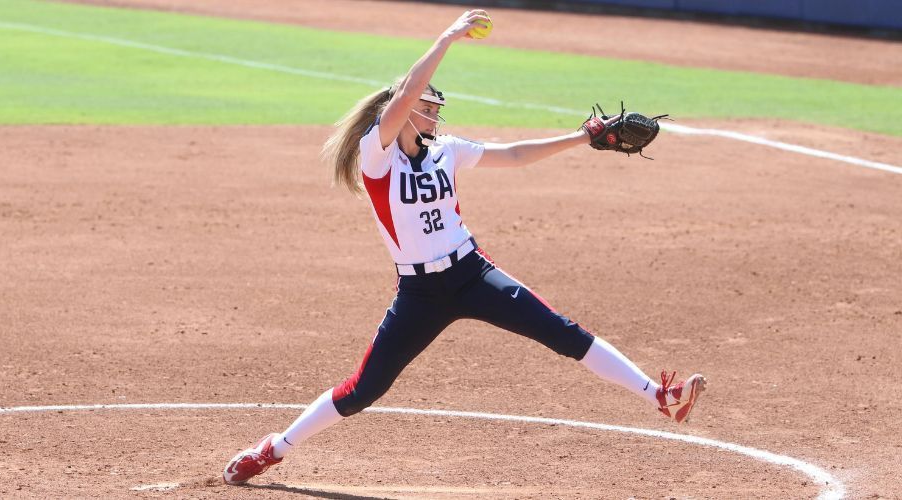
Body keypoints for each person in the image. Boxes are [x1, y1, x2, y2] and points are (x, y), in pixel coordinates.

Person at [223, 9, 706, 486]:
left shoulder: (446, 150)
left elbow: (514, 154)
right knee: (362, 390)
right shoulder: (377, 156)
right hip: (419, 294)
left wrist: (581, 138)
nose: (434, 115)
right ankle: (274, 448)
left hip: (472, 274)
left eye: (436, 109)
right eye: (428, 108)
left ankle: (659, 396)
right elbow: (410, 88)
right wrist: (448, 37)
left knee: (562, 332)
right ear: (404, 109)